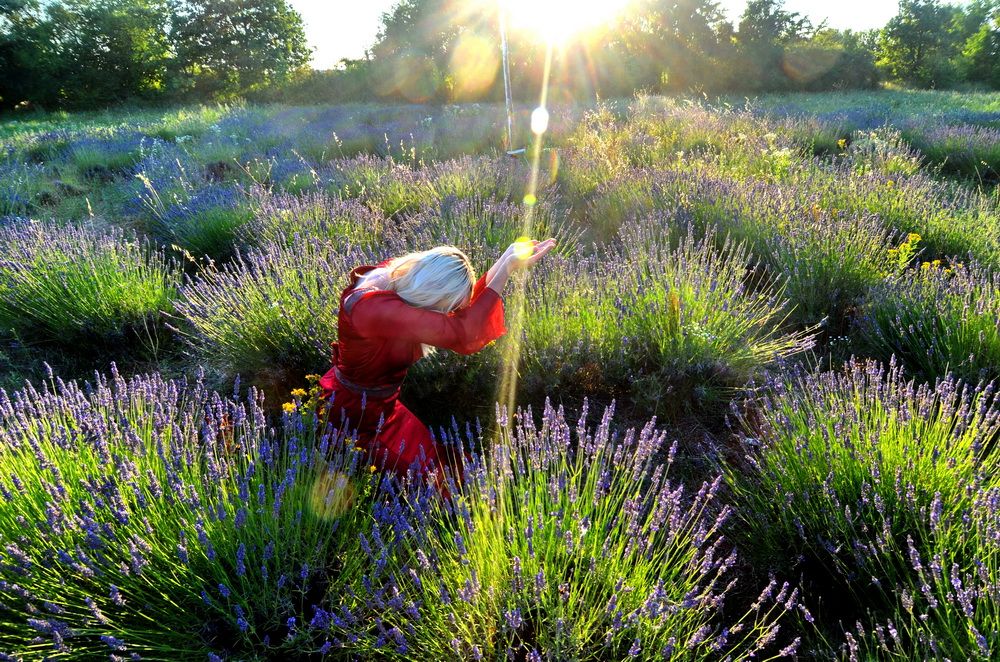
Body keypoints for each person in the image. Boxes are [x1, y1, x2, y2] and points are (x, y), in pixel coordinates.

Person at [318, 238, 556, 493]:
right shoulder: (377, 311)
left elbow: (462, 316)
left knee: (440, 460)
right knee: (438, 484)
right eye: (446, 307)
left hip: (381, 406)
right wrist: (506, 269)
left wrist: (505, 259)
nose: (445, 315)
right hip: (359, 417)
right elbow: (463, 334)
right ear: (433, 293)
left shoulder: (399, 274)